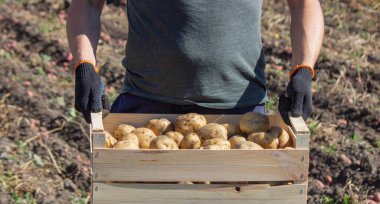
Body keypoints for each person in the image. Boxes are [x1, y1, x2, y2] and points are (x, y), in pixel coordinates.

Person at [66, 0, 324, 123]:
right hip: (144, 108)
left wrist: (302, 70)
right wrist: (85, 66)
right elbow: (88, 4)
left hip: (239, 114)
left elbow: (304, 4)